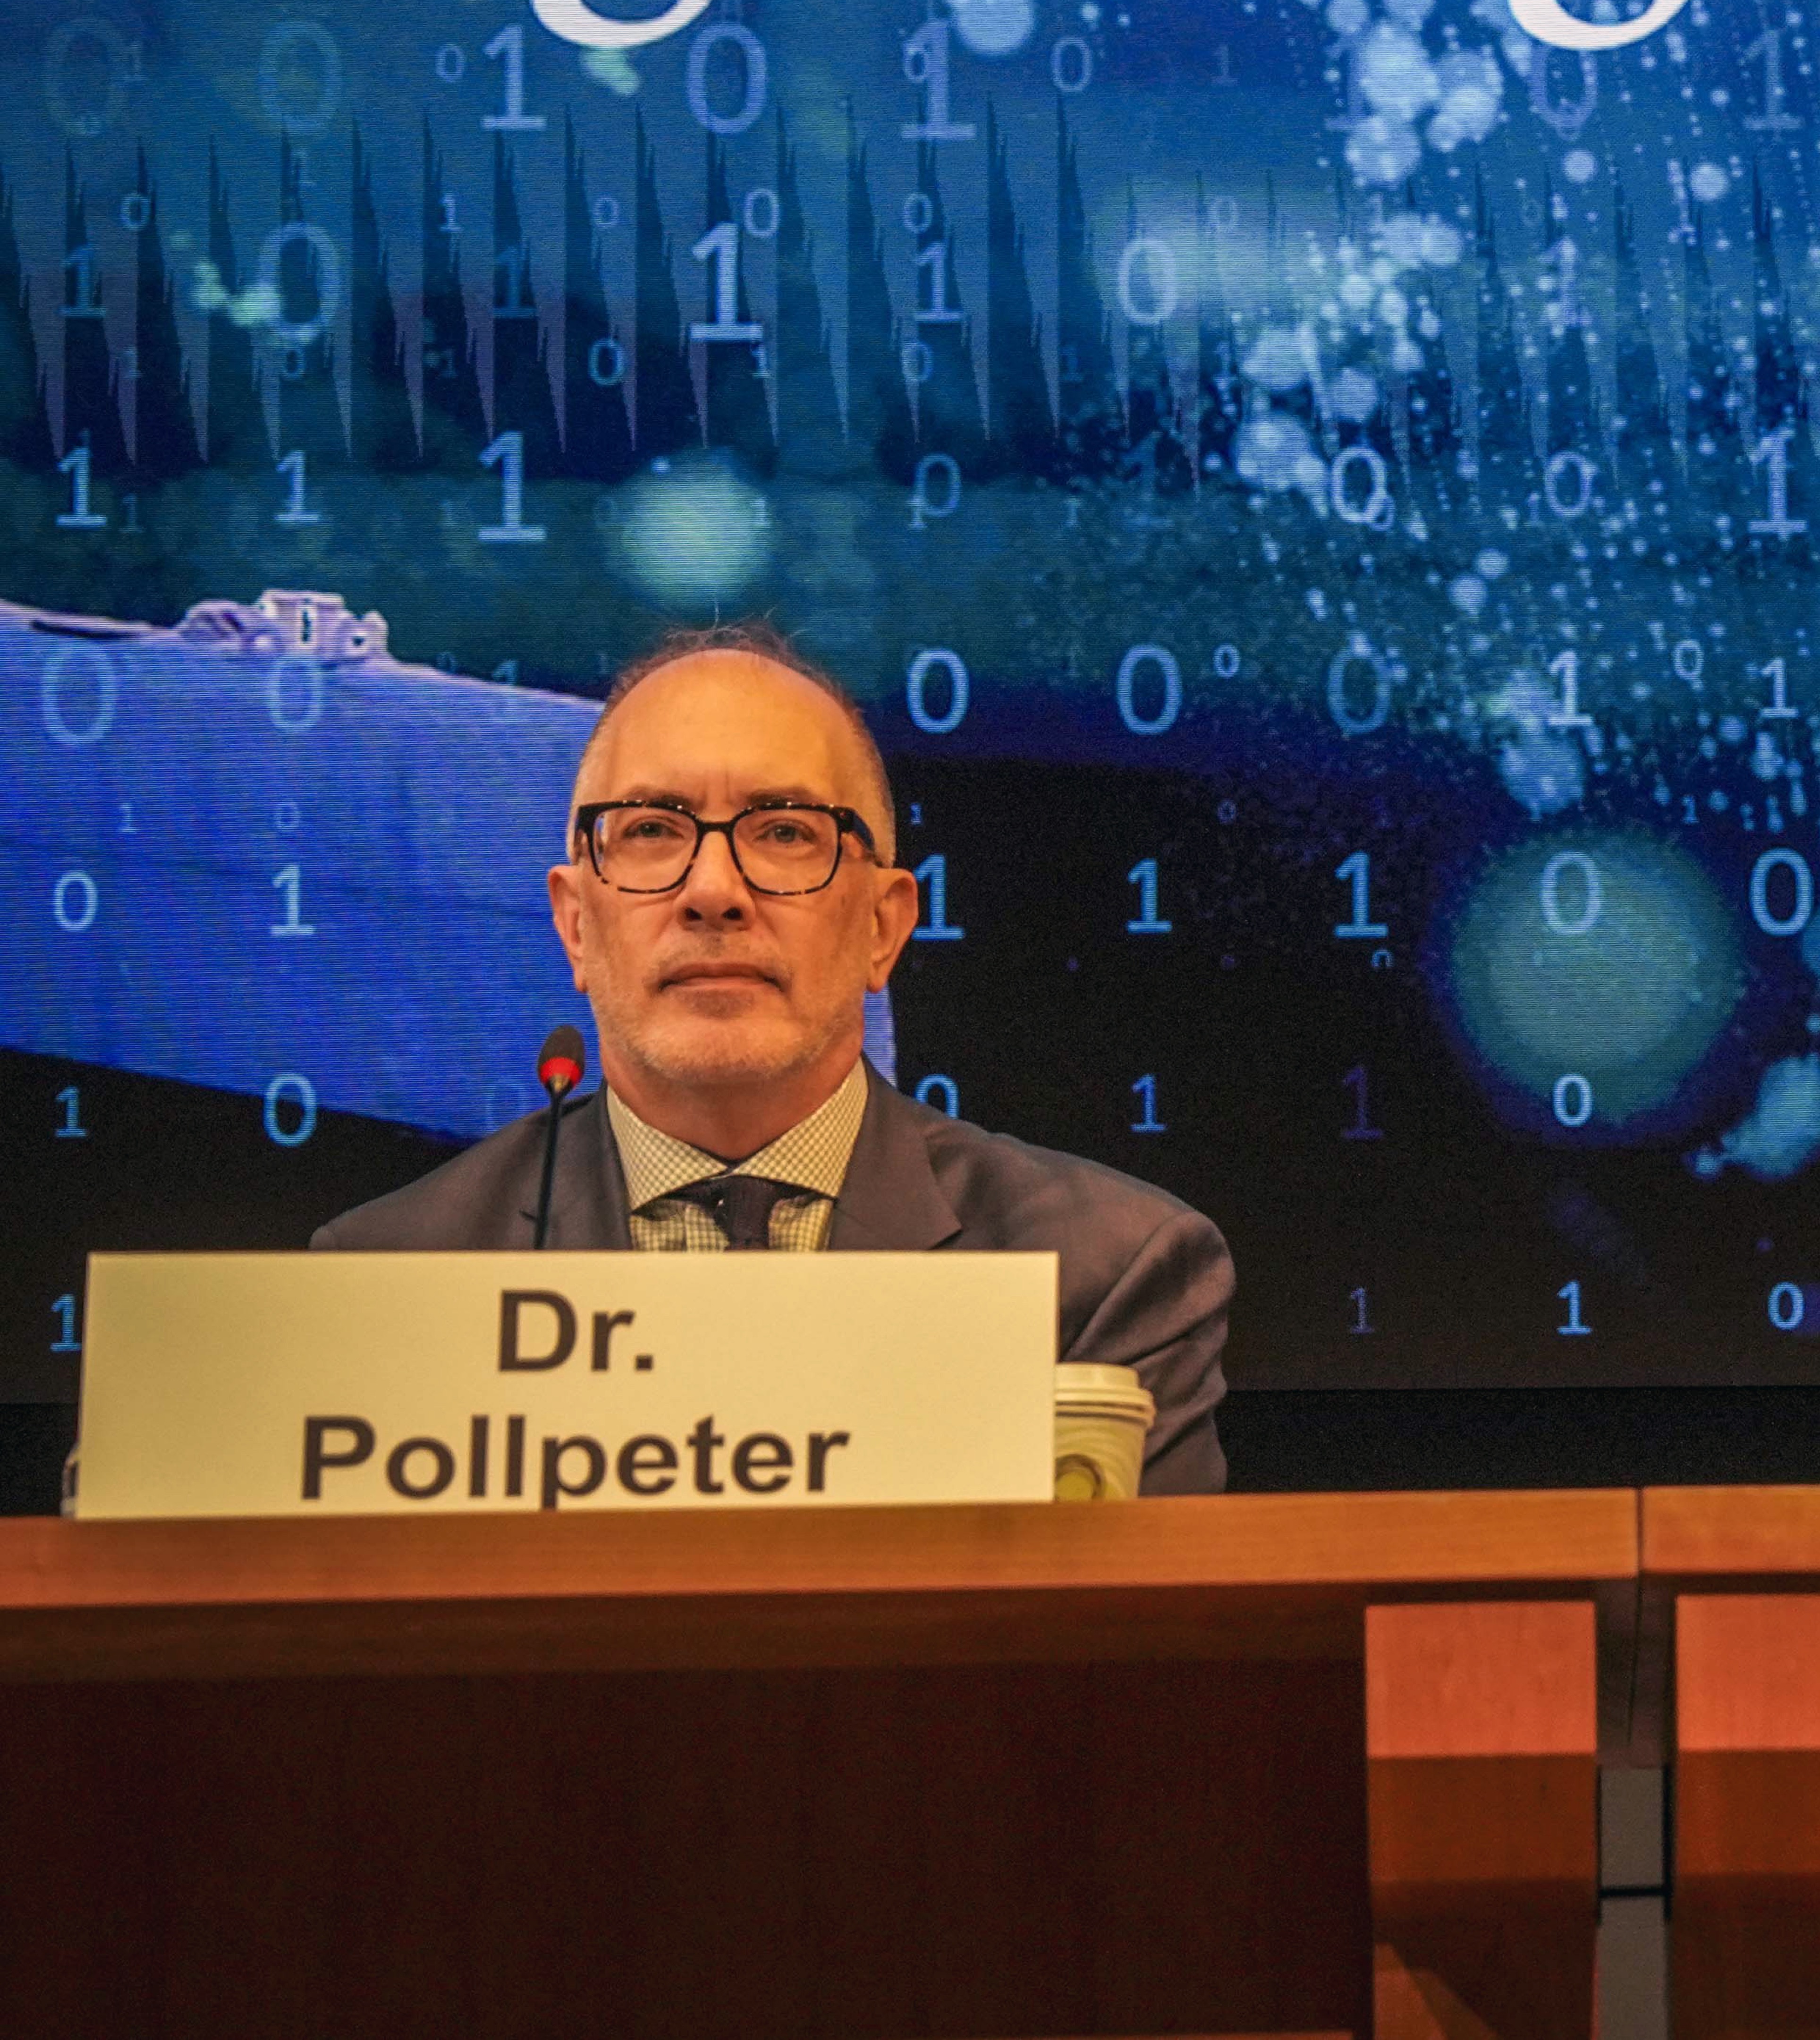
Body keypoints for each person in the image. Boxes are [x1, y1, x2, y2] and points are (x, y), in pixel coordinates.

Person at [317, 623, 1236, 1494]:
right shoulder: (387, 1287)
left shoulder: (1102, 1276)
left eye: (786, 831)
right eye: (651, 830)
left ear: (883, 927)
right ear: (575, 927)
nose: (713, 891)